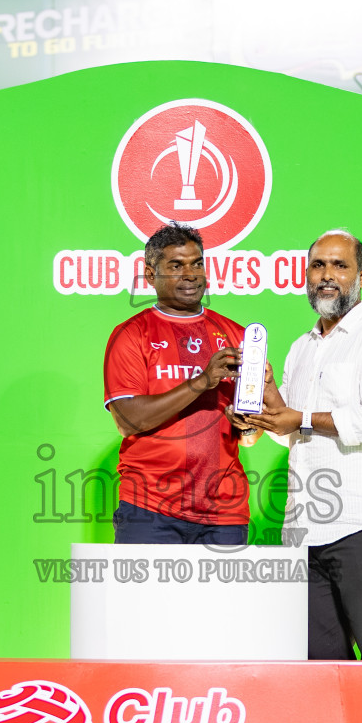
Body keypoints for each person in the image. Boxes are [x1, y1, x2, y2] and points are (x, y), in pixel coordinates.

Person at [235, 229, 362, 660]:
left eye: (339, 265)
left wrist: (299, 417)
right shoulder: (301, 347)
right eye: (318, 265)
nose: (327, 275)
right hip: (304, 529)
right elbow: (289, 431)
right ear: (306, 276)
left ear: (361, 276)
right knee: (320, 660)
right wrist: (266, 398)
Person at [103, 223, 254, 544]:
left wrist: (249, 426)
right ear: (150, 274)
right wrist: (203, 381)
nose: (191, 275)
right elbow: (128, 420)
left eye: (197, 264)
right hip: (149, 506)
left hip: (224, 511)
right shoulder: (130, 334)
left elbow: (250, 436)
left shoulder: (237, 335)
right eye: (176, 266)